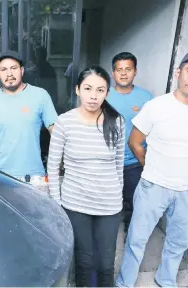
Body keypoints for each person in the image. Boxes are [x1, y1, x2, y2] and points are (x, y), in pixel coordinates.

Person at [116, 50, 188, 287]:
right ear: (179, 73)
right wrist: (151, 166)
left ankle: (166, 280)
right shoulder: (156, 106)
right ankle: (125, 282)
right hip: (153, 186)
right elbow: (135, 142)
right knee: (136, 239)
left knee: (178, 241)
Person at [47, 66, 125, 287]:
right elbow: (53, 166)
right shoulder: (65, 122)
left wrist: (116, 196)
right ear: (78, 90)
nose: (93, 95)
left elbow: (118, 164)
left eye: (100, 90)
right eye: (88, 88)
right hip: (75, 203)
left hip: (108, 205)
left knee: (106, 264)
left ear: (107, 93)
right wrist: (57, 202)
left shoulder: (116, 121)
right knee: (84, 261)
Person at [0, 50, 58, 189]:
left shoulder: (40, 96)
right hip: (0, 176)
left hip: (33, 177)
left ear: (22, 71)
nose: (9, 74)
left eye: (14, 68)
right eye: (4, 69)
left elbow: (55, 131)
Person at [106, 52, 153, 235]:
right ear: (113, 73)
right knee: (107, 205)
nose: (124, 73)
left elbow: (153, 129)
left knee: (134, 206)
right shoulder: (104, 95)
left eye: (128, 69)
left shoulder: (146, 97)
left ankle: (129, 242)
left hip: (135, 163)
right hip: (108, 163)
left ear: (135, 71)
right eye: (119, 70)